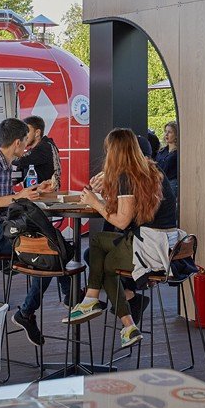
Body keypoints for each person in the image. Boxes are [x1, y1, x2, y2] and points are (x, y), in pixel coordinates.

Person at [66, 128, 166, 347]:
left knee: (96, 243)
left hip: (148, 249)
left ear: (115, 151)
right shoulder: (149, 171)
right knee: (105, 262)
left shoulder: (126, 176)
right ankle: (128, 325)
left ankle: (91, 299)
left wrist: (95, 202)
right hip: (164, 246)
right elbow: (130, 211)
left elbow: (121, 221)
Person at [0, 118, 58, 346]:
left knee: (51, 248)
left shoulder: (4, 164)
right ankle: (34, 310)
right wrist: (18, 197)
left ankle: (59, 300)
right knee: (50, 252)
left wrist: (34, 190)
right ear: (17, 143)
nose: (26, 147)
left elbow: (10, 199)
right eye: (25, 143)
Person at [15, 115, 61, 190]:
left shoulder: (45, 147)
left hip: (46, 198)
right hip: (37, 196)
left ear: (37, 133)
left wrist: (7, 152)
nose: (23, 136)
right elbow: (20, 173)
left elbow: (20, 161)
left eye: (26, 132)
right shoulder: (34, 150)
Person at [154, 121, 179, 196]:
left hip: (172, 184)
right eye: (165, 132)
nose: (166, 134)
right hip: (159, 184)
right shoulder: (161, 151)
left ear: (176, 135)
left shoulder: (179, 153)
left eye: (170, 132)